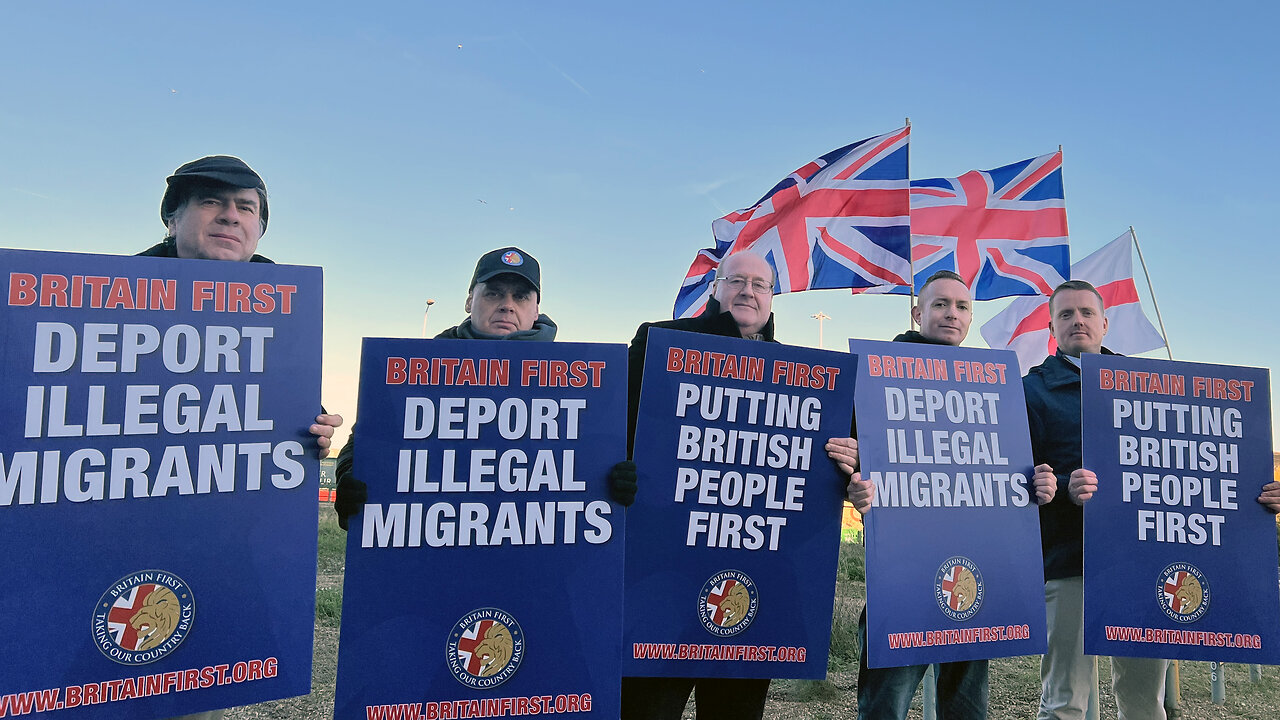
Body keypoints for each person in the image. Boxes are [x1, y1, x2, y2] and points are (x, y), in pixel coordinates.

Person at [138, 156, 341, 720]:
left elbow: (275, 414)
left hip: (222, 552)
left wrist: (313, 432)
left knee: (187, 695)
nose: (230, 216)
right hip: (112, 541)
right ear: (173, 217)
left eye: (245, 207)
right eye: (211, 201)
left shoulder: (284, 314)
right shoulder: (100, 299)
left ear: (259, 230)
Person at [620, 250, 857, 720]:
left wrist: (851, 459)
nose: (748, 291)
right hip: (663, 567)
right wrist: (620, 472)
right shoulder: (660, 343)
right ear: (715, 288)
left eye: (760, 284)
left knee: (735, 708)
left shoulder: (804, 379)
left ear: (772, 298)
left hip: (757, 573)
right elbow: (617, 425)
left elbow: (843, 453)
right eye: (737, 280)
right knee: (648, 705)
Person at [843, 270, 1055, 720]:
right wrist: (853, 480)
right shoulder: (876, 375)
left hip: (975, 574)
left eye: (961, 307)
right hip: (901, 573)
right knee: (885, 706)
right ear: (918, 312)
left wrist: (1039, 483)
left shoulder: (992, 385)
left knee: (966, 708)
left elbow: (1018, 467)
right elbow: (849, 458)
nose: (951, 314)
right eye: (940, 304)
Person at [334, 246, 636, 529]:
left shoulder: (580, 382)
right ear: (469, 302)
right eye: (493, 293)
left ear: (536, 310)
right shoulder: (417, 371)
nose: (507, 305)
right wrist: (351, 478)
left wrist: (616, 483)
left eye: (520, 297)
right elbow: (364, 441)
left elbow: (597, 458)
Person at [1025, 280, 1168, 720]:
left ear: (1105, 323)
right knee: (1066, 699)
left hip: (1141, 563)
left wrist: (1252, 494)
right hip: (1069, 561)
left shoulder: (1149, 385)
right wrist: (1061, 486)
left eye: (1086, 313)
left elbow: (1188, 462)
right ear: (1052, 327)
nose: (1077, 321)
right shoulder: (1031, 390)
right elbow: (1015, 476)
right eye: (1066, 314)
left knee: (1145, 701)